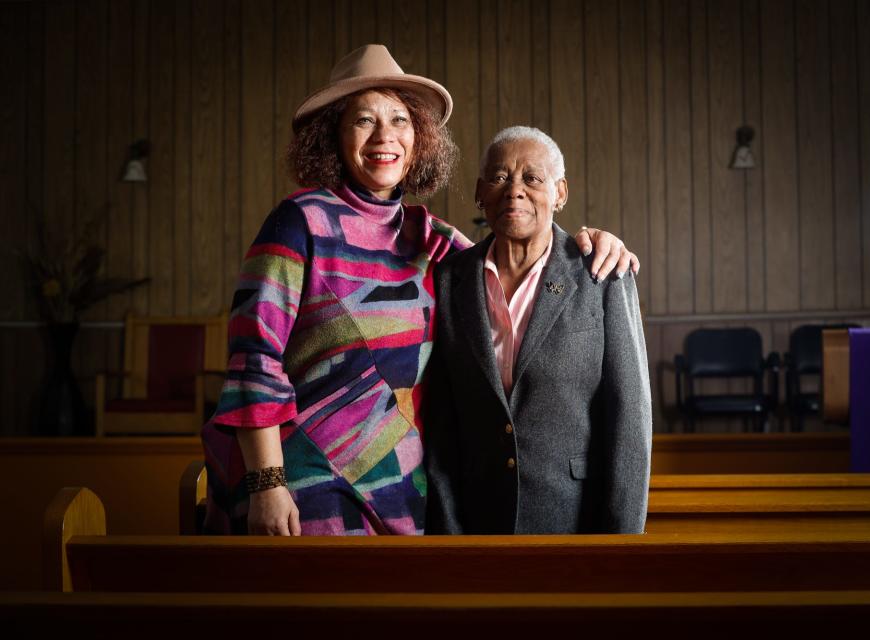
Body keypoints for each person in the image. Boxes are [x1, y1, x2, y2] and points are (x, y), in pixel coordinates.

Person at [201, 45, 638, 536]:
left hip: (407, 497)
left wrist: (595, 243)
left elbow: (516, 263)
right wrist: (267, 483)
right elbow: (254, 357)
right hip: (305, 489)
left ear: (419, 137)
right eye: (364, 121)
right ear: (334, 137)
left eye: (400, 120)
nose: (385, 136)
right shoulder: (299, 223)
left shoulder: (436, 240)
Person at [425, 126, 652, 534]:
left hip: (573, 519)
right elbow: (442, 422)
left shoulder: (601, 274)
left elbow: (630, 420)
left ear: (560, 192)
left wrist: (623, 545)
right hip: (476, 522)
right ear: (480, 192)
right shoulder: (448, 280)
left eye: (532, 178)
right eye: (499, 178)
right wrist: (448, 532)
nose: (514, 191)